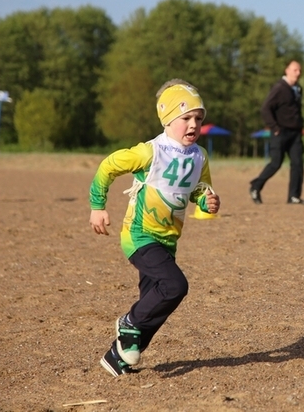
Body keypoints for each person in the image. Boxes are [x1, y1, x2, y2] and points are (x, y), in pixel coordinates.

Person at [89, 79, 221, 376]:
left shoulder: (200, 156)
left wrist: (207, 202)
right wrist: (98, 206)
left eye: (198, 118)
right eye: (185, 118)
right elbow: (108, 166)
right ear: (167, 119)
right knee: (175, 287)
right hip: (139, 236)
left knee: (155, 302)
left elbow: (200, 189)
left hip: (168, 240)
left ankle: (117, 357)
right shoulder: (150, 152)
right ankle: (127, 324)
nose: (193, 124)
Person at [249, 60, 304, 204]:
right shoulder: (279, 88)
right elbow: (265, 108)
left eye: (299, 70)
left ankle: (294, 196)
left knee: (297, 164)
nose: (298, 73)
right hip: (280, 132)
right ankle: (256, 186)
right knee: (276, 163)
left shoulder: (297, 89)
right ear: (287, 70)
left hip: (295, 133)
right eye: (295, 70)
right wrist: (274, 127)